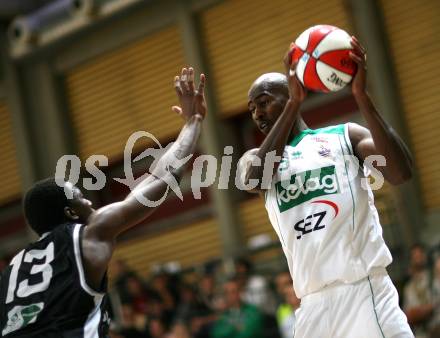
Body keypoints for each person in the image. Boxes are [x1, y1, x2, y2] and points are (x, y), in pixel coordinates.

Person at [0, 67, 207, 337]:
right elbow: (164, 177)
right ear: (70, 212)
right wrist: (193, 121)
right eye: (80, 197)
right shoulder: (88, 235)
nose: (88, 201)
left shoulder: (11, 273)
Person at [239, 36, 414, 338]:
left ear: (290, 93)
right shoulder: (253, 160)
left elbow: (400, 172)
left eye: (264, 102)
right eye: (252, 108)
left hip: (363, 291)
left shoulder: (344, 136)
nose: (257, 113)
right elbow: (255, 178)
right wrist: (293, 104)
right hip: (313, 305)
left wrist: (361, 96)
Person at [404, 244, 435, 338]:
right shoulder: (408, 288)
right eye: (415, 256)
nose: (418, 259)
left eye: (420, 255)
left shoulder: (435, 277)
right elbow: (407, 316)